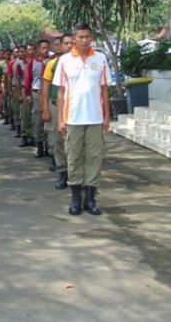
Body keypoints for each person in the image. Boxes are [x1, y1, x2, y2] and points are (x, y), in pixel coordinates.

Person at [53, 23, 111, 216]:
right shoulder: (64, 61)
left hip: (95, 118)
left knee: (95, 157)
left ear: (91, 37)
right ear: (74, 39)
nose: (84, 40)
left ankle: (91, 199)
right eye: (81, 37)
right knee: (74, 157)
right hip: (73, 118)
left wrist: (106, 117)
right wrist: (61, 120)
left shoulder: (101, 59)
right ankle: (76, 199)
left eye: (87, 36)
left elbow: (104, 90)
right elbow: (60, 93)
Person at [41, 34, 73, 189]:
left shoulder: (82, 63)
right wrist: (45, 108)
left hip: (75, 107)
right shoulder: (52, 64)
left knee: (75, 142)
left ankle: (76, 176)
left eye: (71, 43)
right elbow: (45, 86)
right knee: (58, 140)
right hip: (56, 106)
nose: (69, 46)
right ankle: (63, 173)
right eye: (65, 43)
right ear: (59, 46)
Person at [25, 39, 50, 158]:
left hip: (49, 93)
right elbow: (28, 79)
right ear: (39, 49)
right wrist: (28, 95)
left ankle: (50, 147)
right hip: (37, 92)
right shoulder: (32, 63)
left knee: (50, 121)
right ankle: (39, 146)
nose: (45, 50)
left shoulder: (52, 61)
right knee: (38, 119)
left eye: (47, 48)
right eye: (43, 48)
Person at [18, 44, 34, 147]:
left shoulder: (37, 62)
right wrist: (19, 94)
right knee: (25, 114)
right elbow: (18, 80)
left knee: (35, 115)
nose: (30, 51)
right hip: (24, 90)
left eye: (32, 49)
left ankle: (33, 136)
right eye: (29, 50)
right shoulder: (21, 64)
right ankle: (24, 136)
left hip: (36, 89)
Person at [7, 47, 23, 136]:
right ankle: (18, 128)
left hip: (24, 88)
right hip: (14, 87)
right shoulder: (12, 63)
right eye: (16, 52)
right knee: (16, 108)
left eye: (19, 51)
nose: (17, 53)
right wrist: (9, 90)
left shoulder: (27, 62)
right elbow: (9, 77)